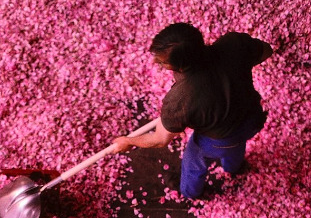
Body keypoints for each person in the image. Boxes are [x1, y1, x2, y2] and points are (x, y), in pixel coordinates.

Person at [113, 23, 273, 199]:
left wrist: (129, 141)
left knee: (193, 161)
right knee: (236, 143)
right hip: (251, 118)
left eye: (161, 62)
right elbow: (266, 51)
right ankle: (234, 167)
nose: (155, 62)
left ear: (180, 67)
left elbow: (160, 140)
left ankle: (190, 192)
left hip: (221, 139)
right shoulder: (234, 44)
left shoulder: (180, 99)